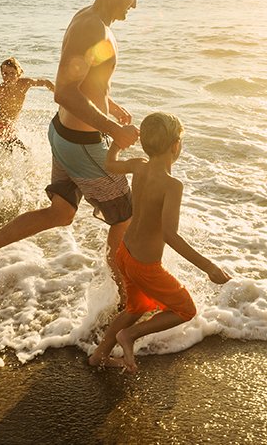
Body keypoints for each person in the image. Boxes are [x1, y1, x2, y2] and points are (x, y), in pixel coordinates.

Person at [0, 0, 144, 288]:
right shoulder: (92, 26)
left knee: (60, 213)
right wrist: (114, 129)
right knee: (125, 216)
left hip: (64, 135)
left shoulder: (91, 21)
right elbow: (64, 91)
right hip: (81, 143)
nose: (135, 3)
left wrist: (110, 104)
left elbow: (87, 80)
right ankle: (123, 296)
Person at [88, 112, 231, 373]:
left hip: (125, 253)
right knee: (185, 308)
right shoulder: (172, 185)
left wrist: (119, 142)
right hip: (145, 266)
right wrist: (208, 267)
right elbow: (170, 235)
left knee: (137, 306)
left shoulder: (139, 165)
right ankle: (129, 336)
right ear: (176, 146)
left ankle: (99, 355)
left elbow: (110, 163)